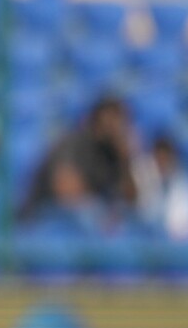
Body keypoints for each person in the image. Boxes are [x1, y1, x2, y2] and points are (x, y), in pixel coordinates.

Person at [23, 95, 140, 232]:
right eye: (112, 118)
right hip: (44, 219)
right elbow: (66, 191)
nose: (117, 126)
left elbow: (131, 199)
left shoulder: (113, 154)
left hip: (87, 220)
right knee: (92, 214)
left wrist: (125, 161)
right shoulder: (74, 142)